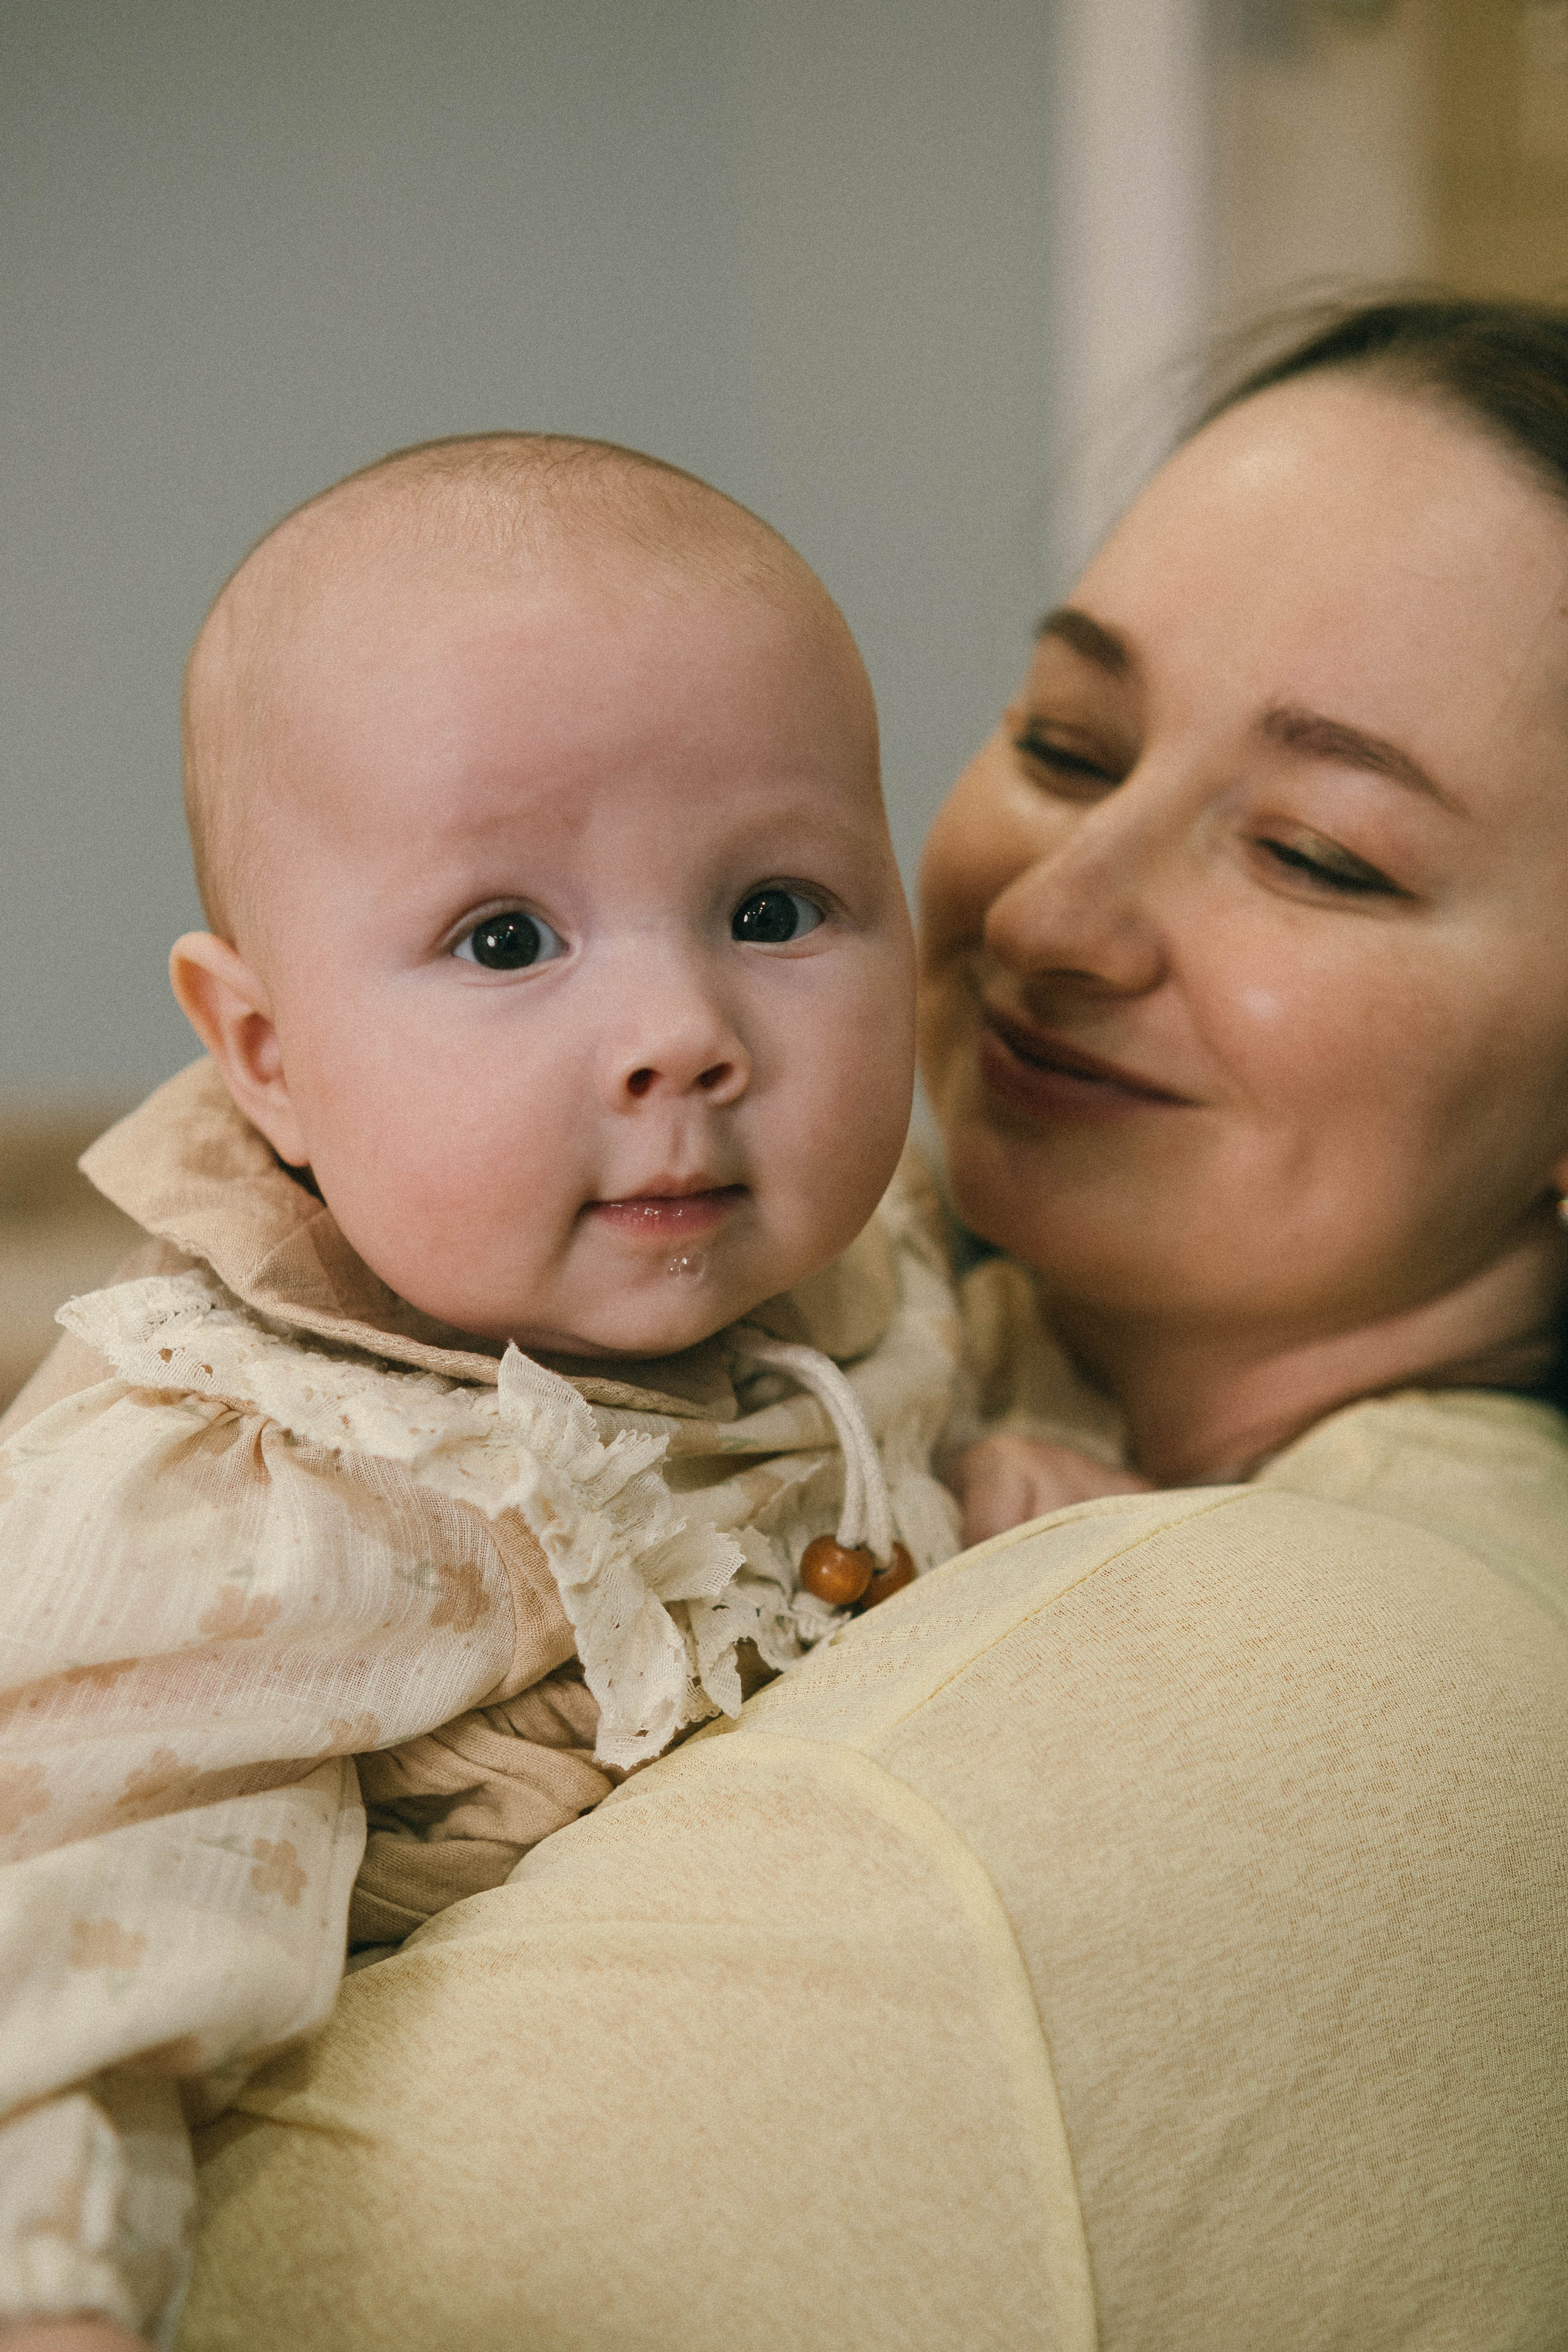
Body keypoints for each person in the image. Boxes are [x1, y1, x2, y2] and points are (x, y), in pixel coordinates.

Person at [160, 299, 1567, 2352]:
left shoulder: (1318, 1670)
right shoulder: (834, 1312)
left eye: (1319, 854)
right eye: (1068, 743)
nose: (1056, 912)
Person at [0, 434, 979, 2349]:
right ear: (268, 1059)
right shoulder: (257, 1494)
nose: (684, 1037)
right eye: (507, 940)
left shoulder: (867, 1282)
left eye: (775, 910)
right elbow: (68, 1913)